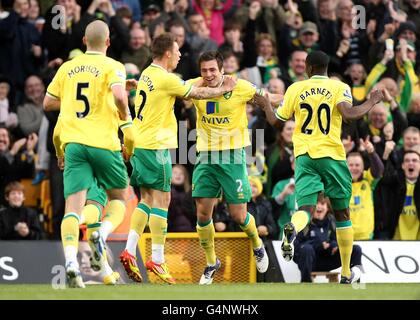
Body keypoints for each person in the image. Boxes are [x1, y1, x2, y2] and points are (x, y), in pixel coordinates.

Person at [255, 50, 383, 284]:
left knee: (306, 208)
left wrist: (265, 105)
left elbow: (276, 122)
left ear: (308, 67)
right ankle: (345, 272)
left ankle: (292, 226)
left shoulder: (295, 89)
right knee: (342, 213)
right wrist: (372, 101)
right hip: (331, 155)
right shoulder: (339, 87)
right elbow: (350, 114)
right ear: (325, 68)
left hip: (304, 156)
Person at [119, 33, 236, 285]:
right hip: (156, 146)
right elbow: (196, 94)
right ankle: (157, 260)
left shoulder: (147, 74)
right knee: (163, 199)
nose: (181, 54)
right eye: (177, 50)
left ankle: (129, 250)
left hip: (139, 144)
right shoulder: (166, 78)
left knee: (147, 199)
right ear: (168, 53)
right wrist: (224, 88)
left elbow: (148, 91)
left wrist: (134, 85)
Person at [43, 20, 134, 288]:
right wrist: (124, 115)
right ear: (108, 42)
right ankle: (102, 235)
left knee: (79, 206)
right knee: (120, 196)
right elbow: (118, 96)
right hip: (103, 144)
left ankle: (74, 263)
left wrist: (72, 100)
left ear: (84, 41)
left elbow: (48, 103)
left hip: (73, 144)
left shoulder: (67, 67)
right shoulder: (113, 66)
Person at [187, 51, 282, 285]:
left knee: (239, 216)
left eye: (212, 70)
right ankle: (211, 262)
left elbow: (268, 97)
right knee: (202, 215)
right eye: (204, 70)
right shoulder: (195, 86)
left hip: (232, 157)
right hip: (206, 157)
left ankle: (257, 245)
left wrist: (296, 97)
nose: (208, 74)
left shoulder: (240, 87)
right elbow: (170, 90)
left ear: (221, 70)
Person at [293, 195, 362, 283]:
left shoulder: (332, 221)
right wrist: (318, 245)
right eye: (316, 203)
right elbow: (297, 247)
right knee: (307, 249)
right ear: (311, 208)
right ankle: (306, 282)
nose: (319, 206)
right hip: (310, 260)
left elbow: (338, 240)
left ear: (327, 207)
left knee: (356, 249)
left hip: (328, 259)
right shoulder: (304, 223)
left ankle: (353, 279)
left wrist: (333, 245)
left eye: (322, 203)